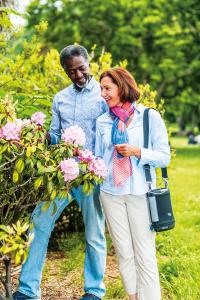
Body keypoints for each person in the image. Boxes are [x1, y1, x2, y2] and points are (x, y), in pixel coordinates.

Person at [13, 45, 107, 300]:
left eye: (81, 68)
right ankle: (27, 289)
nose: (77, 75)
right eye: (71, 71)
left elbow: (108, 134)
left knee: (94, 233)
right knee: (39, 221)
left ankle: (94, 291)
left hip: (91, 176)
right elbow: (55, 135)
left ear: (89, 64)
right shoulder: (60, 98)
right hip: (62, 174)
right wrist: (41, 134)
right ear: (65, 71)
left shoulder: (103, 95)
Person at [95, 67, 171, 300]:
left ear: (122, 87)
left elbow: (164, 156)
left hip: (140, 192)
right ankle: (134, 296)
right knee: (124, 252)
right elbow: (98, 159)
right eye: (101, 89)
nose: (103, 94)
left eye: (107, 88)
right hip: (110, 192)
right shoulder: (102, 121)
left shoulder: (149, 117)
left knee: (144, 253)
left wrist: (137, 152)